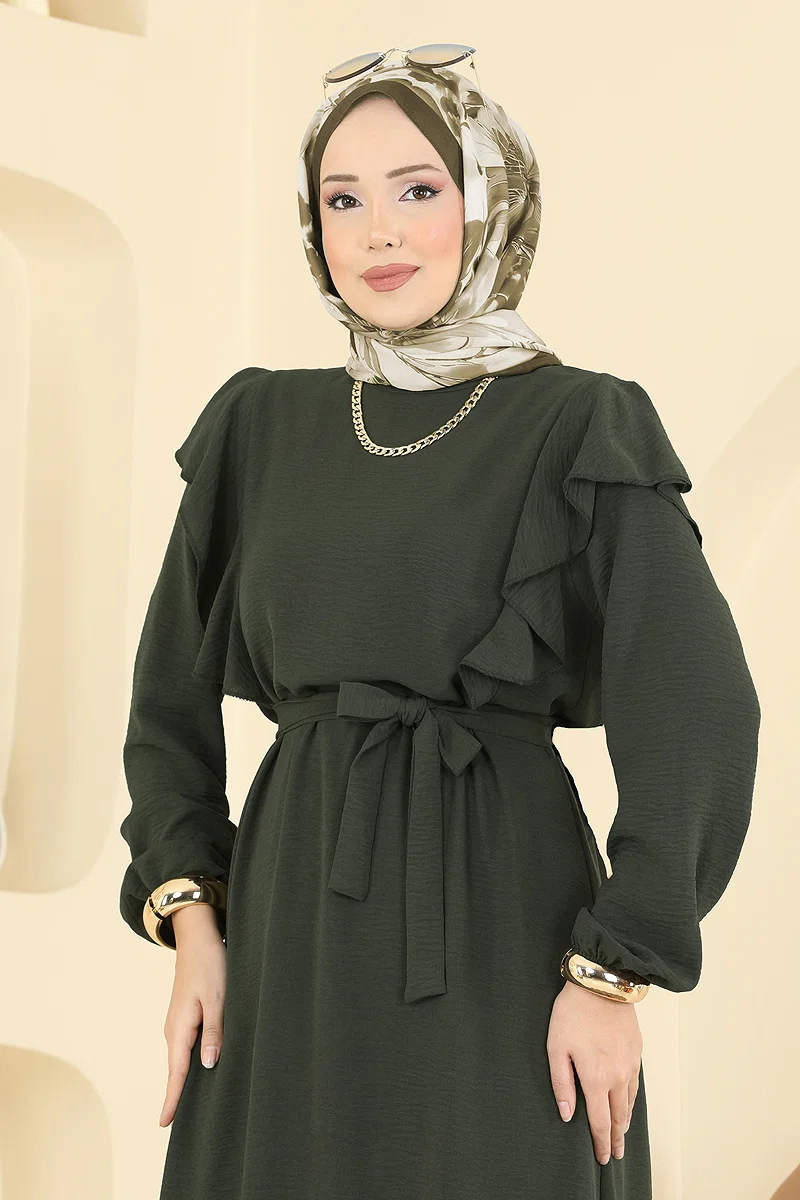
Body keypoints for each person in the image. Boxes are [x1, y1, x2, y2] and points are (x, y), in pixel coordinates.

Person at [118, 47, 761, 1200]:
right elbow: (166, 699)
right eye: (341, 199)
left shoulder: (581, 424)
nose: (376, 232)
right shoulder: (260, 425)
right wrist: (194, 925)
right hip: (285, 935)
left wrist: (612, 973)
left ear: (490, 200)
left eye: (417, 188)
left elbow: (695, 709)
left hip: (502, 927)